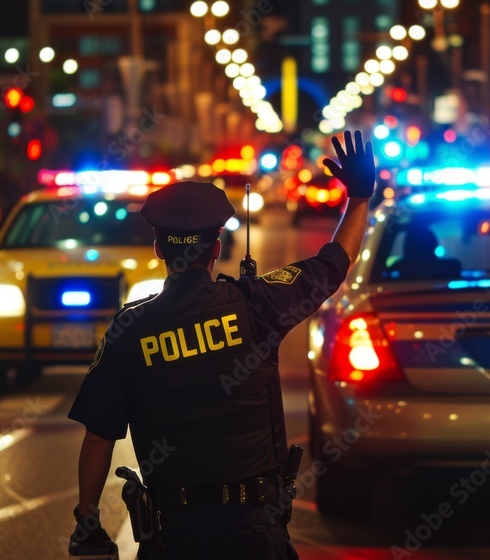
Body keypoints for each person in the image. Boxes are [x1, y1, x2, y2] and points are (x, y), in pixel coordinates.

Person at [67, 130, 376, 559]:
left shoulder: (129, 329)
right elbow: (333, 264)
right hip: (253, 535)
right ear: (215, 248)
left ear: (158, 247)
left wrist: (87, 520)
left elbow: (99, 436)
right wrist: (359, 199)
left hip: (171, 538)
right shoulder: (257, 304)